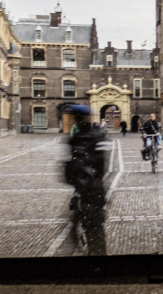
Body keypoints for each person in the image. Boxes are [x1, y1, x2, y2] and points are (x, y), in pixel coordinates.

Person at [63, 104, 108, 254]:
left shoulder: (76, 138)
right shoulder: (98, 136)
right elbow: (102, 165)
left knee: (92, 226)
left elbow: (76, 164)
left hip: (88, 188)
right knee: (95, 227)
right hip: (93, 187)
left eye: (77, 119)